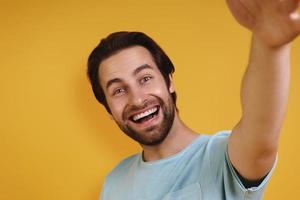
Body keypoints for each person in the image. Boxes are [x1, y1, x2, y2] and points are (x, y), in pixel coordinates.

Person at [87, 0, 300, 199]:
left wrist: (270, 46)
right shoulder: (114, 182)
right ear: (108, 110)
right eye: (118, 91)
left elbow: (261, 135)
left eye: (145, 78)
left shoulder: (222, 157)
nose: (137, 99)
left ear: (169, 81)